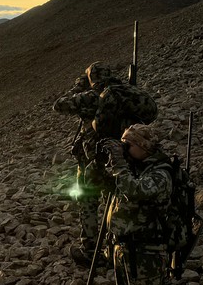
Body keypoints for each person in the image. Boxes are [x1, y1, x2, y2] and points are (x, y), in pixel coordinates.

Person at [53, 63, 158, 265]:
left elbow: (59, 105)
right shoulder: (125, 94)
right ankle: (119, 248)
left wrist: (78, 87)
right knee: (117, 201)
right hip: (122, 158)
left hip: (95, 158)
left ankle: (90, 250)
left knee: (88, 200)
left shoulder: (92, 97)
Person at [99, 122, 174, 285]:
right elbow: (111, 190)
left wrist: (120, 165)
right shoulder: (132, 169)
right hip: (124, 247)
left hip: (148, 250)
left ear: (144, 146)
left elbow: (138, 191)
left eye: (128, 144)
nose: (125, 149)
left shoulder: (161, 173)